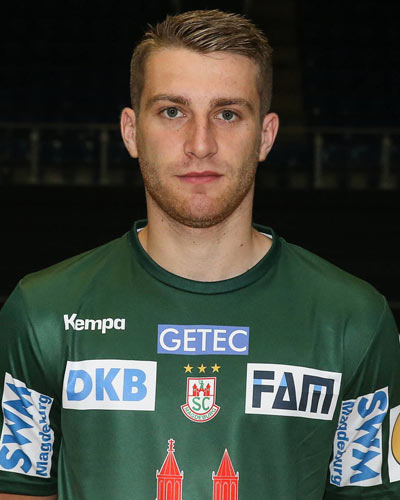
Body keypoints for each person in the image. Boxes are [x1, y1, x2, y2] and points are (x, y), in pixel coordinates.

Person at [0, 9, 399, 500]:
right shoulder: (43, 312)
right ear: (131, 131)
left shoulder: (354, 321)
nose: (200, 144)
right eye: (173, 111)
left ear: (265, 136)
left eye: (227, 114)